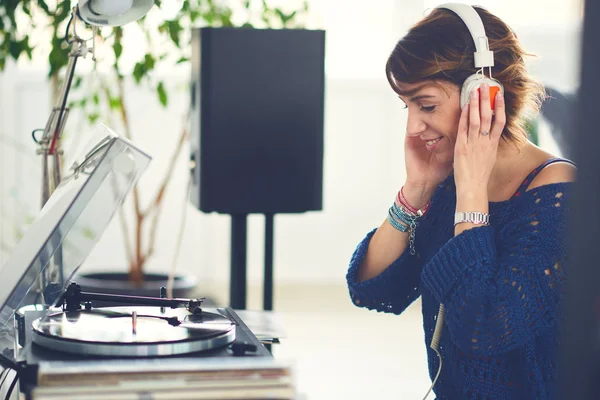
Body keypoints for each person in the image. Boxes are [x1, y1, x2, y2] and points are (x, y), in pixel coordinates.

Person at [345, 4, 576, 400]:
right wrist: (415, 190)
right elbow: (371, 288)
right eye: (408, 106)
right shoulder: (446, 183)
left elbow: (483, 328)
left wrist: (471, 194)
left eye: (427, 105)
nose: (414, 127)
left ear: (483, 96)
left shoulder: (557, 192)